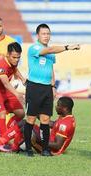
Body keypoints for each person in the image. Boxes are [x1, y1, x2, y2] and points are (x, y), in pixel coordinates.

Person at [24, 23, 80, 156]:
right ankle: (28, 148)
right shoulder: (34, 48)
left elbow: (51, 70)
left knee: (44, 119)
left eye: (48, 34)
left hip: (47, 88)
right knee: (31, 119)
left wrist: (53, 86)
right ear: (38, 35)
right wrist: (67, 47)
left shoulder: (51, 53)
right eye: (43, 34)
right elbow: (48, 50)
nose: (46, 36)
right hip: (34, 87)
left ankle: (45, 149)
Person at [0, 96, 76, 156]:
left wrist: (36, 141)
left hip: (50, 149)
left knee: (25, 127)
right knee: (25, 124)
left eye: (58, 105)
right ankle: (7, 144)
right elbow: (53, 125)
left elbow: (57, 146)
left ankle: (3, 143)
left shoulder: (65, 124)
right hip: (47, 140)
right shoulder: (66, 117)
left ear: (65, 108)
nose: (56, 107)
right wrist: (34, 113)